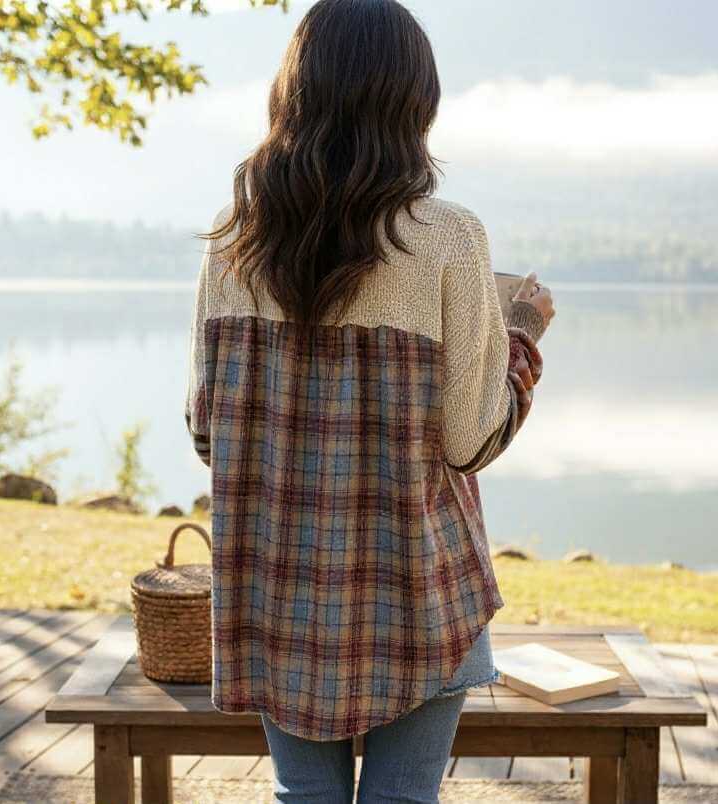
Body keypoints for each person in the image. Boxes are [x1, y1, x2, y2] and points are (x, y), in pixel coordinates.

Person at [184, 0, 555, 801]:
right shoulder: (452, 237)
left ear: (294, 93)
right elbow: (470, 440)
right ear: (411, 101)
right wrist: (521, 335)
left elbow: (207, 432)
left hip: (276, 591)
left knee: (304, 797)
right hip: (419, 595)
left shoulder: (233, 233)